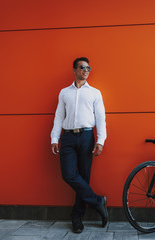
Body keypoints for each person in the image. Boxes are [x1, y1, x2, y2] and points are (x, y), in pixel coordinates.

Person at [50, 57, 108, 233]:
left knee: (84, 176)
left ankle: (77, 217)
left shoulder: (95, 93)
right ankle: (98, 201)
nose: (86, 70)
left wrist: (100, 141)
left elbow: (100, 118)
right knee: (68, 175)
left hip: (87, 136)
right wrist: (54, 138)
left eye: (88, 68)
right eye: (82, 67)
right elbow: (59, 116)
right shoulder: (64, 92)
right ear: (74, 70)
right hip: (67, 138)